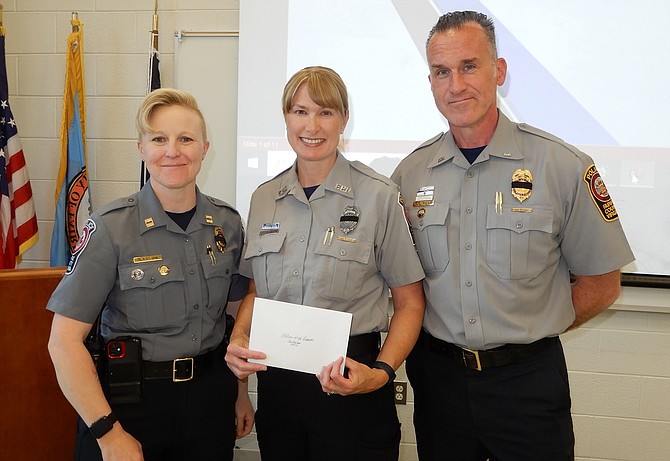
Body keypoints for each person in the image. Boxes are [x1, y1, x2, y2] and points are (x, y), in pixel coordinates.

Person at [390, 11, 635, 461]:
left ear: (498, 71)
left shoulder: (561, 166)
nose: (456, 84)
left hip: (528, 388)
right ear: (430, 82)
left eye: (469, 66)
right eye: (442, 72)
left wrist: (531, 330)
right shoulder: (408, 175)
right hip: (440, 385)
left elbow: (603, 284)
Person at [225, 66, 425, 460]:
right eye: (300, 112)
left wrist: (380, 374)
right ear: (285, 117)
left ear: (344, 119)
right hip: (279, 387)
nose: (311, 125)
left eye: (325, 112)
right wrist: (239, 336)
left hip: (353, 384)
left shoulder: (379, 196)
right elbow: (255, 291)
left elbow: (410, 303)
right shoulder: (264, 197)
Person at [47, 88, 254, 461]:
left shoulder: (227, 224)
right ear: (141, 148)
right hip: (131, 405)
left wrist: (241, 393)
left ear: (204, 148)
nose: (173, 151)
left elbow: (235, 321)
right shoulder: (111, 228)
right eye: (159, 139)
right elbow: (63, 343)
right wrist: (108, 434)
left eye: (185, 139)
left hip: (208, 403)